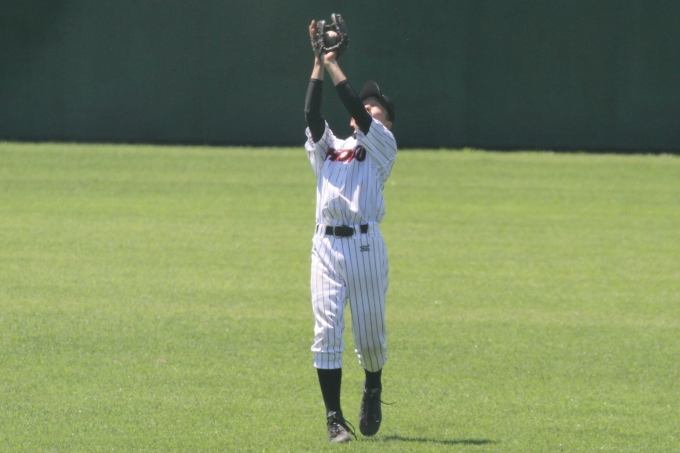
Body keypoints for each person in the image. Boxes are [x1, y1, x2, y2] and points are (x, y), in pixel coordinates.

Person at [304, 20, 397, 443]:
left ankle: (372, 386)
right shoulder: (333, 147)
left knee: (371, 340)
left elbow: (356, 109)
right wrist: (318, 63)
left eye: (377, 109)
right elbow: (312, 115)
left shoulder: (383, 148)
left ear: (386, 124)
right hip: (325, 245)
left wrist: (334, 63)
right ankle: (334, 419)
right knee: (326, 333)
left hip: (365, 246)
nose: (369, 109)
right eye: (367, 105)